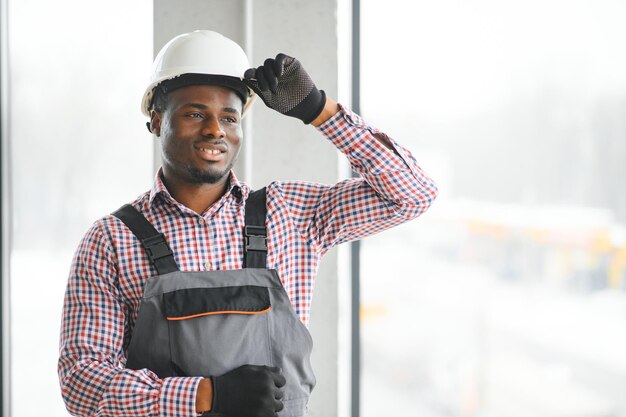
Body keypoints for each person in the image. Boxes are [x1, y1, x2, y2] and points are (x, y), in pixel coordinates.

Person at [58, 30, 438, 417]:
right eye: (194, 113)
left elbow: (412, 194)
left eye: (229, 117)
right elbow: (81, 381)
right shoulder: (111, 240)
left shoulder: (291, 214)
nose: (215, 130)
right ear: (157, 121)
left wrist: (318, 110)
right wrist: (204, 395)